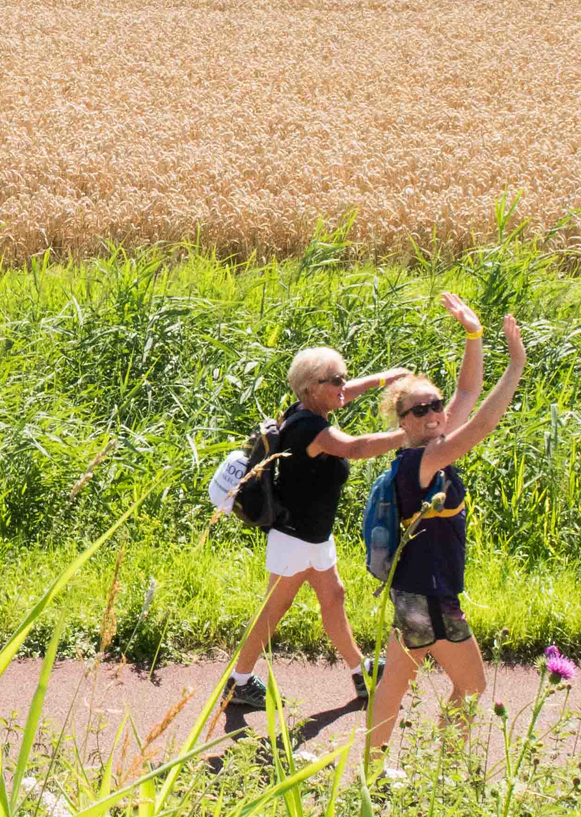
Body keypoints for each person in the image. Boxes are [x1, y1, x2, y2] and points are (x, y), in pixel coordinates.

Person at [366, 307, 527, 753]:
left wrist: (473, 333)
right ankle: (448, 772)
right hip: (432, 596)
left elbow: (468, 390)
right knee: (472, 685)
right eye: (421, 409)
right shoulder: (421, 461)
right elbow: (482, 425)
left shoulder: (429, 447)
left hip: (411, 592)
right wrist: (515, 366)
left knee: (393, 688)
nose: (435, 412)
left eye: (436, 404)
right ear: (404, 423)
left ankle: (370, 769)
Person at [226, 339, 415, 709]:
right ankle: (239, 681)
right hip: (294, 538)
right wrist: (412, 435)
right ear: (312, 388)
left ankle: (361, 670)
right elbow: (357, 447)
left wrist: (385, 378)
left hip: (314, 535)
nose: (344, 385)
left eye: (343, 377)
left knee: (334, 598)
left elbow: (351, 390)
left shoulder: (303, 406)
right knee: (273, 610)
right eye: (335, 380)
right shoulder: (309, 430)